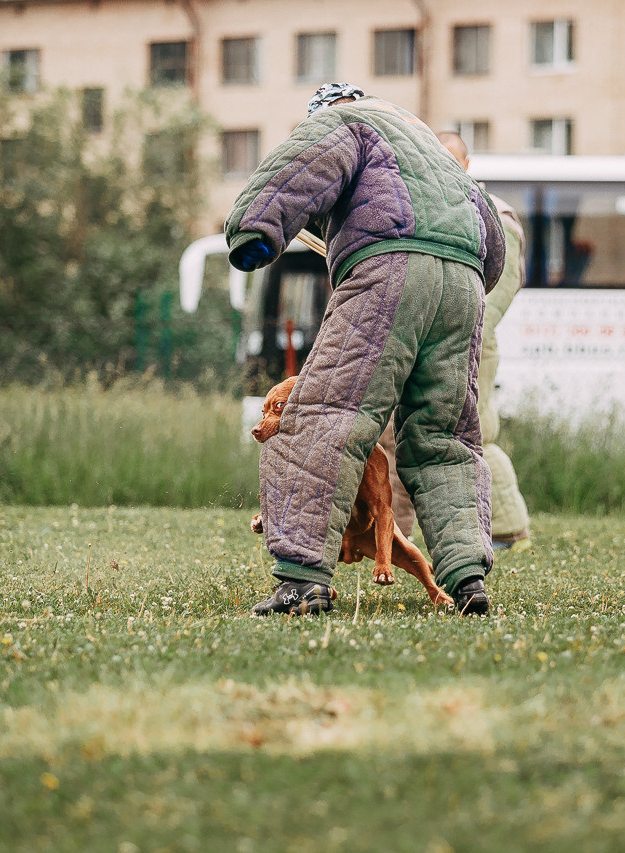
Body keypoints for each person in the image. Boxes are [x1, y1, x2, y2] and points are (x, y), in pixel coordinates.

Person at [226, 83, 506, 616]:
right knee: (445, 437)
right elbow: (490, 238)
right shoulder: (424, 142)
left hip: (390, 272)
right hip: (464, 282)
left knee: (324, 416)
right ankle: (468, 578)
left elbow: (301, 162)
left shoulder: (345, 120)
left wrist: (253, 229)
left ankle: (302, 582)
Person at [435, 131, 532, 552]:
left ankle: (509, 530)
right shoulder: (446, 207)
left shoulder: (496, 215)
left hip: (474, 340)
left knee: (478, 434)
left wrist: (465, 334)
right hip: (456, 337)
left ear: (467, 165)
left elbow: (501, 290)